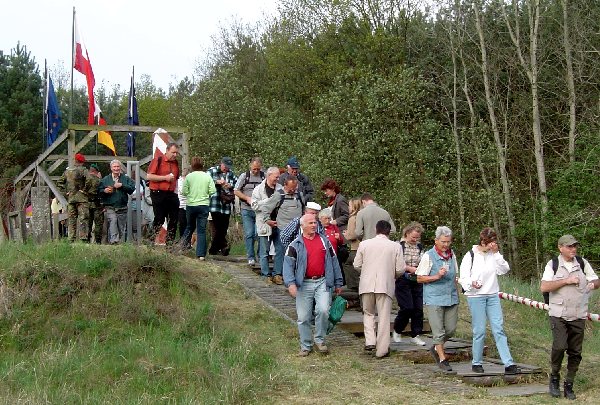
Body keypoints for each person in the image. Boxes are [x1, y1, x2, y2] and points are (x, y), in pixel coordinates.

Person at [541, 234, 600, 400]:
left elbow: (596, 280)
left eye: (575, 246)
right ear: (561, 248)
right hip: (558, 314)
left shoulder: (582, 263)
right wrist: (566, 281)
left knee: (575, 352)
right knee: (559, 347)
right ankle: (554, 377)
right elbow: (544, 287)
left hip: (578, 314)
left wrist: (592, 284)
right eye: (569, 246)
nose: (573, 249)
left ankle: (569, 384)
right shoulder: (552, 264)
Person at [459, 227, 519, 375]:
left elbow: (504, 269)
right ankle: (477, 362)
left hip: (492, 295)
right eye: (489, 244)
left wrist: (497, 253)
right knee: (479, 330)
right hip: (476, 296)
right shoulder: (470, 255)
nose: (491, 247)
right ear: (482, 242)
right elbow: (463, 277)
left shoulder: (494, 255)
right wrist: (471, 283)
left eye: (493, 243)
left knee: (498, 328)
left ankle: (508, 363)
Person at [283, 214, 344, 357]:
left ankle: (320, 340)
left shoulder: (324, 241)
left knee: (323, 310)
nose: (314, 225)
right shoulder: (295, 245)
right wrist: (290, 283)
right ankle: (305, 345)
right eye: (310, 223)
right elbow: (288, 266)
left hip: (323, 281)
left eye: (315, 222)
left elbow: (334, 262)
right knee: (303, 317)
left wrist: (338, 281)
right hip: (303, 284)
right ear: (302, 226)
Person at [354, 220, 405, 358]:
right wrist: (392, 275)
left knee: (368, 313)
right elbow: (400, 269)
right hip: (385, 284)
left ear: (376, 229)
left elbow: (356, 264)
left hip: (366, 283)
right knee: (384, 317)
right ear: (389, 231)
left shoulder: (364, 244)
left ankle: (370, 340)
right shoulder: (395, 247)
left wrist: (365, 272)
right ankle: (382, 349)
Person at [416, 226, 459, 372]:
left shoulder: (452, 255)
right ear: (436, 241)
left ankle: (436, 345)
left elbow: (455, 275)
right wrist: (436, 276)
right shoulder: (428, 256)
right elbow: (420, 278)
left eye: (448, 242)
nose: (446, 245)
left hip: (451, 297)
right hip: (434, 297)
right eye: (443, 242)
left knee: (451, 329)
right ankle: (442, 358)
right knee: (438, 330)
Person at [262, 175, 304, 285]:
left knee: (297, 252)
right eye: (291, 188)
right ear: (285, 185)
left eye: (294, 187)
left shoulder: (299, 195)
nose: (293, 190)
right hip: (283, 228)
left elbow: (304, 209)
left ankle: (294, 275)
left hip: (297, 229)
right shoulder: (278, 195)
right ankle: (278, 274)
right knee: (281, 251)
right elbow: (266, 208)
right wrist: (268, 220)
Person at [393, 222, 427, 346]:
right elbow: (396, 262)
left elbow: (424, 261)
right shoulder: (398, 246)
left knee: (418, 308)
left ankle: (416, 334)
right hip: (402, 279)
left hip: (417, 279)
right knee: (407, 307)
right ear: (407, 233)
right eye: (413, 237)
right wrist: (408, 268)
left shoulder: (420, 247)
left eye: (417, 237)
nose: (415, 240)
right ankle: (397, 329)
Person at [180, 157, 217, 260]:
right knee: (201, 230)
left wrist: (191, 194)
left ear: (192, 166)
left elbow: (183, 191)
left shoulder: (189, 177)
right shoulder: (207, 176)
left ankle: (182, 248)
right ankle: (201, 254)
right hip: (203, 205)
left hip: (191, 205)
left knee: (189, 227)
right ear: (202, 165)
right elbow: (212, 191)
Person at [252, 167, 283, 281]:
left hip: (279, 223)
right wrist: (269, 202)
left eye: (278, 176)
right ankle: (265, 275)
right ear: (269, 176)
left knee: (280, 249)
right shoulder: (258, 190)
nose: (278, 179)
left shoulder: (280, 188)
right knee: (264, 251)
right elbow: (254, 206)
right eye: (276, 177)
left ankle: (277, 274)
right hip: (264, 223)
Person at [147, 142, 180, 245]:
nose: (175, 155)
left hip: (171, 193)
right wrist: (165, 178)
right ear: (167, 150)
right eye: (173, 152)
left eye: (176, 153)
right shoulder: (158, 160)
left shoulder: (175, 163)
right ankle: (150, 240)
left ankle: (169, 244)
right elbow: (149, 176)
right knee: (160, 218)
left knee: (174, 218)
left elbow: (177, 178)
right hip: (158, 192)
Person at [234, 157, 264, 266]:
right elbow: (236, 191)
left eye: (258, 169)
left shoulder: (263, 176)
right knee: (249, 233)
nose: (256, 171)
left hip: (260, 210)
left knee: (259, 233)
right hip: (246, 208)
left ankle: (260, 255)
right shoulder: (244, 176)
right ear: (250, 166)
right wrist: (247, 198)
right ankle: (250, 256)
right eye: (254, 169)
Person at [56, 153, 91, 242]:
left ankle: (71, 239)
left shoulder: (67, 171)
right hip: (82, 199)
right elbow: (89, 180)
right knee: (83, 218)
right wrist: (85, 190)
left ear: (74, 160)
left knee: (72, 219)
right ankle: (83, 238)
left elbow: (59, 182)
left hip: (71, 199)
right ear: (82, 162)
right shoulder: (83, 170)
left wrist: (65, 193)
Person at [98, 160, 135, 244]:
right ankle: (113, 242)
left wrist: (122, 185)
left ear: (120, 168)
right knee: (113, 222)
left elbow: (132, 189)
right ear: (111, 168)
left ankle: (117, 244)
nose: (116, 168)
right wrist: (105, 190)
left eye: (118, 166)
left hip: (122, 207)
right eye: (114, 167)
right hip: (110, 207)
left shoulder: (125, 178)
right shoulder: (105, 180)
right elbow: (99, 191)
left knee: (121, 228)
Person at [207, 157, 238, 256]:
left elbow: (237, 183)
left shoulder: (231, 173)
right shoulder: (212, 171)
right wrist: (217, 182)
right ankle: (222, 247)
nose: (226, 169)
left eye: (228, 167)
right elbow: (206, 181)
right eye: (225, 166)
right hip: (215, 204)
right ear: (221, 163)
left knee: (223, 228)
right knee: (217, 227)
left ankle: (215, 249)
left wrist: (230, 185)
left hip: (226, 205)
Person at [342, 198, 363, 291]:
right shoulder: (362, 216)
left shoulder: (352, 218)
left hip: (355, 247)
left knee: (348, 264)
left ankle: (354, 286)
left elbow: (352, 235)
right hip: (362, 246)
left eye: (349, 205)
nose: (348, 207)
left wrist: (345, 234)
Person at [87, 164, 103, 244]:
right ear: (97, 172)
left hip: (87, 204)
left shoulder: (85, 180)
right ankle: (98, 241)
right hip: (97, 204)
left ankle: (86, 240)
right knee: (98, 224)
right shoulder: (99, 180)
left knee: (88, 223)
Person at [176, 168, 189, 239]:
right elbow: (183, 191)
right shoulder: (179, 181)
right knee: (182, 224)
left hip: (189, 205)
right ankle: (182, 240)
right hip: (181, 205)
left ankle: (187, 242)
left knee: (188, 224)